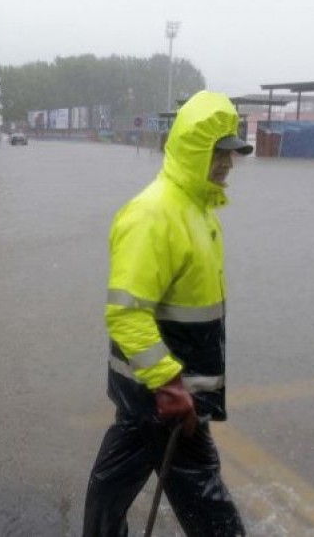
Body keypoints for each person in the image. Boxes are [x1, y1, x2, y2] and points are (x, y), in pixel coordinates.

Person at [82, 91, 252, 537]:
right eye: (220, 153)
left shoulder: (197, 211)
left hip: (158, 396)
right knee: (210, 508)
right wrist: (170, 385)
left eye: (232, 154)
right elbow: (126, 314)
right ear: (195, 150)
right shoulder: (154, 214)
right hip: (166, 399)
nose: (228, 164)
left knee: (113, 481)